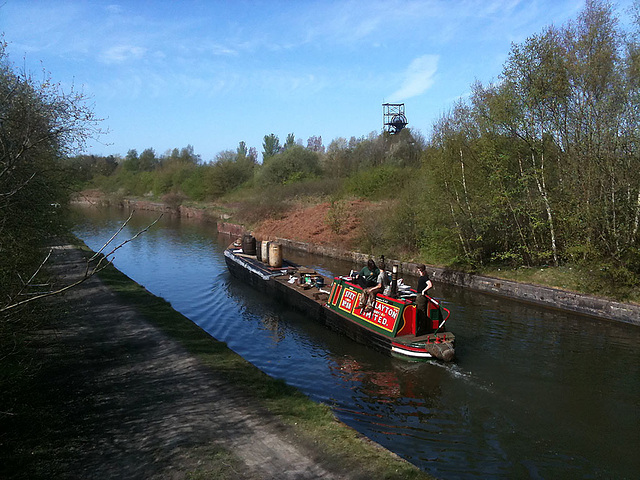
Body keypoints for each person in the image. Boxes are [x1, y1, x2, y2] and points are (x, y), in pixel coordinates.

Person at [415, 264, 434, 334]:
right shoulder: (423, 277)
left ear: (420, 270)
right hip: (419, 295)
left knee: (421, 311)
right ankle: (421, 326)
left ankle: (422, 328)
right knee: (420, 311)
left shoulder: (424, 278)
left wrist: (423, 291)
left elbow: (430, 285)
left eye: (418, 269)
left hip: (421, 297)